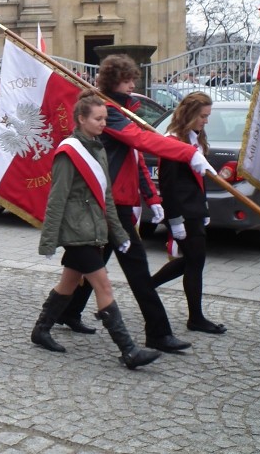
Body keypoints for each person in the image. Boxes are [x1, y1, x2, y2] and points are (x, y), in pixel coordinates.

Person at [58, 54, 215, 353]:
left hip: (116, 201)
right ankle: (157, 332)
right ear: (114, 80)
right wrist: (186, 152)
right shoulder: (109, 112)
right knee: (137, 269)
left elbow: (135, 156)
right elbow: (142, 141)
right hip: (109, 203)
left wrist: (151, 197)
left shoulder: (120, 109)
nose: (133, 85)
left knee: (88, 264)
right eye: (128, 80)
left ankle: (64, 312)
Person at [32, 91, 161, 369]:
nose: (104, 123)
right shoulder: (69, 152)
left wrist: (120, 234)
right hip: (77, 231)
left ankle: (41, 329)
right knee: (103, 285)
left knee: (68, 283)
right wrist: (49, 241)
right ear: (81, 119)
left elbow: (107, 197)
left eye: (105, 118)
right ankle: (128, 350)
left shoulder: (98, 147)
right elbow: (57, 198)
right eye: (98, 118)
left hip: (94, 229)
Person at [152, 92, 226, 334]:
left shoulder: (193, 139)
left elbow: (198, 179)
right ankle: (195, 318)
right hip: (183, 212)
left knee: (193, 261)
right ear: (190, 114)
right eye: (203, 116)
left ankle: (146, 287)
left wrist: (204, 206)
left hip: (195, 209)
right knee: (195, 262)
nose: (206, 121)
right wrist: (174, 220)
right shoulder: (172, 142)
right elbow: (168, 184)